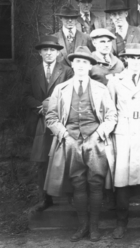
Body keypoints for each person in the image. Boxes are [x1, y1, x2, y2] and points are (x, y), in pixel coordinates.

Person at [44, 46, 117, 242]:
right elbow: (50, 117)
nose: (81, 65)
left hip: (95, 143)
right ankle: (83, 226)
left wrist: (98, 134)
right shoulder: (61, 89)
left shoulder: (101, 89)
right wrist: (65, 135)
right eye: (77, 61)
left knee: (95, 184)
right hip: (71, 142)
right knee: (78, 184)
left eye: (85, 62)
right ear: (73, 64)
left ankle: (94, 228)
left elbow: (111, 116)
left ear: (90, 65)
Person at [108, 43, 140, 239]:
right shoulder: (115, 81)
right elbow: (110, 108)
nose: (136, 62)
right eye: (132, 58)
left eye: (139, 58)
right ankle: (121, 223)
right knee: (121, 179)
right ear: (126, 59)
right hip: (124, 129)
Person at [24, 36, 74, 211]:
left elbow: (70, 95)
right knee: (42, 159)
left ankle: (70, 198)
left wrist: (52, 107)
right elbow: (27, 95)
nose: (48, 53)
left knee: (65, 157)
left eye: (52, 50)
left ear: (58, 52)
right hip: (40, 121)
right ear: (40, 53)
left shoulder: (67, 71)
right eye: (45, 50)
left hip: (61, 120)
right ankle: (45, 199)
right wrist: (40, 107)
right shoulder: (33, 72)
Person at [105, 0, 140, 76]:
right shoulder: (107, 35)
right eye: (114, 14)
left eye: (120, 13)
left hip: (137, 77)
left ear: (126, 14)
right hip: (116, 78)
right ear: (111, 17)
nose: (117, 17)